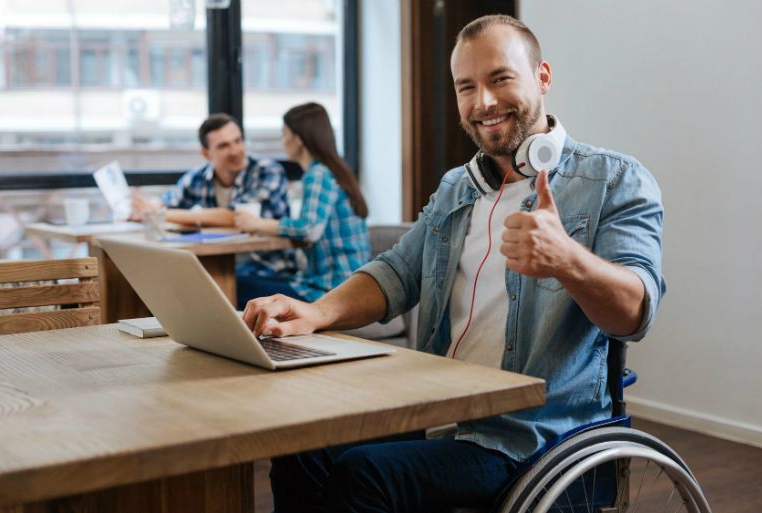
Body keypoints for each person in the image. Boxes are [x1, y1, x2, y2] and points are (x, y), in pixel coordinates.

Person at [243, 14, 665, 513]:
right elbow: (398, 272)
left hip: (531, 440)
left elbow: (636, 313)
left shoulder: (615, 180)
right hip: (437, 416)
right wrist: (316, 312)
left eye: (500, 78)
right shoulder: (457, 187)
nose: (483, 102)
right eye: (467, 87)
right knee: (301, 450)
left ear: (542, 77)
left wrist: (567, 260)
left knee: (366, 477)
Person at [233, 102, 371, 305]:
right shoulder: (333, 170)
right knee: (245, 277)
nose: (283, 141)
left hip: (329, 290)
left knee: (233, 285)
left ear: (297, 139)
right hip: (340, 284)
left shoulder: (318, 174)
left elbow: (309, 229)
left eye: (284, 134)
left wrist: (257, 223)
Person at [131, 112, 296, 280]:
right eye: (223, 146)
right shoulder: (198, 177)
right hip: (221, 265)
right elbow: (168, 200)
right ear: (206, 153)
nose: (235, 151)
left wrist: (163, 215)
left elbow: (236, 217)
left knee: (197, 283)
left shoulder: (267, 171)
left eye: (238, 141)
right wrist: (147, 207)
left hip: (268, 268)